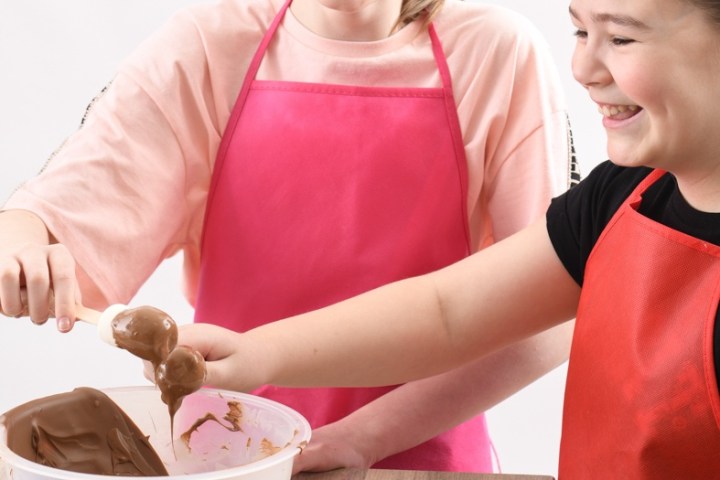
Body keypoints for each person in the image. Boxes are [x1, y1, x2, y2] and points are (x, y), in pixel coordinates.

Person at [0, 0, 577, 474]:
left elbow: (551, 310)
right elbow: (63, 203)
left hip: (418, 462)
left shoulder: (499, 54)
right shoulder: (209, 44)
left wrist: (363, 438)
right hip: (227, 457)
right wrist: (22, 232)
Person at [171, 0, 720, 477]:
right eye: (580, 31)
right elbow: (448, 311)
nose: (582, 68)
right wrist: (257, 354)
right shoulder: (619, 196)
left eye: (621, 38)